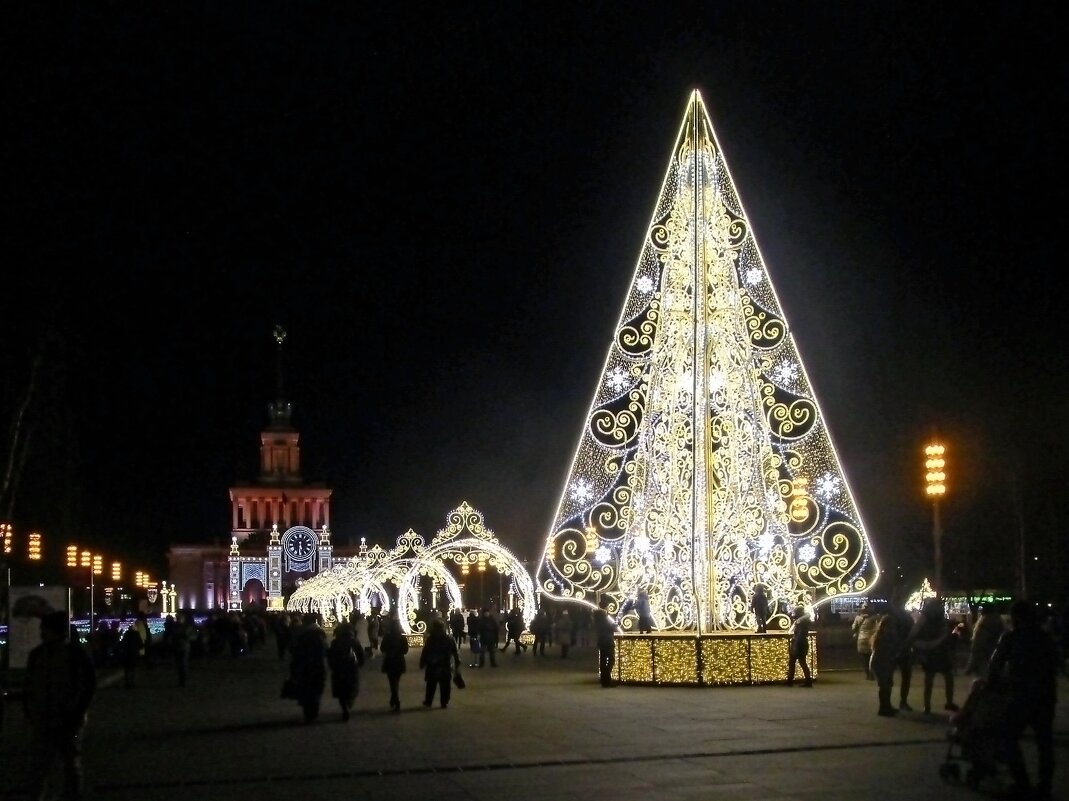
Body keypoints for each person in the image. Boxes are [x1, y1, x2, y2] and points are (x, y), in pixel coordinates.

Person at [23, 609, 97, 801]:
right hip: (46, 719)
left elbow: (88, 685)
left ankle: (70, 795)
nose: (41, 634)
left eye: (44, 630)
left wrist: (77, 712)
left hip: (66, 719)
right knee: (46, 765)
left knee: (67, 763)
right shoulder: (39, 654)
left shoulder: (73, 655)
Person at [987, 599, 1058, 800]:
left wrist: (992, 684)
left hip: (1022, 695)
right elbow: (1054, 663)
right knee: (1045, 742)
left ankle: (1021, 782)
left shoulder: (1011, 637)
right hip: (1045, 695)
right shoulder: (1045, 637)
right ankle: (1045, 786)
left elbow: (996, 663)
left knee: (1008, 735)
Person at [907, 596, 959, 714]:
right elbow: (914, 634)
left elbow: (913, 635)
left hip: (936, 652)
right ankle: (931, 705)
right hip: (934, 652)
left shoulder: (934, 621)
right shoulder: (928, 621)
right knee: (935, 678)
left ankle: (932, 705)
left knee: (936, 678)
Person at [289, 613, 328, 722]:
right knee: (316, 689)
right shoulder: (320, 634)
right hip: (318, 666)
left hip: (304, 667)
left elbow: (294, 650)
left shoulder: (301, 634)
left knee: (306, 688)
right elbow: (325, 650)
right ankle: (313, 709)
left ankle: (308, 711)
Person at [419, 617, 461, 709]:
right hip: (445, 665)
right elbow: (455, 652)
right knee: (445, 685)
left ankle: (428, 701)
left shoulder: (431, 639)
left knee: (431, 685)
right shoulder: (449, 639)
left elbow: (425, 652)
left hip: (432, 664)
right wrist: (457, 663)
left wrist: (422, 662)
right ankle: (444, 702)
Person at [327, 621, 365, 721]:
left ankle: (344, 707)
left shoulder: (335, 642)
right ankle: (349, 703)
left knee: (341, 690)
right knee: (352, 688)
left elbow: (330, 656)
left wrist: (332, 666)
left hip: (339, 670)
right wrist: (359, 664)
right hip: (352, 669)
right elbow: (361, 655)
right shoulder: (355, 641)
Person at [888, 587, 916, 711]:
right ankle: (902, 702)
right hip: (903, 648)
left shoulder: (890, 615)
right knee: (905, 676)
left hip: (893, 648)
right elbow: (912, 632)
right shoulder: (906, 616)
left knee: (888, 677)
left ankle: (888, 703)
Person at [869, 614, 900, 716]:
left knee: (888, 685)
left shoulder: (883, 635)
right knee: (884, 686)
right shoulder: (882, 636)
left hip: (884, 662)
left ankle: (887, 706)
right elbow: (883, 651)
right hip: (881, 663)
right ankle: (883, 708)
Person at [379, 611, 409, 711]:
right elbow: (405, 650)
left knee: (392, 682)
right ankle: (394, 699)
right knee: (396, 681)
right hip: (399, 661)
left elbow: (382, 648)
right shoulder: (402, 637)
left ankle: (395, 700)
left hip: (390, 661)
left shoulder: (387, 636)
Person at [964, 605, 1005, 675]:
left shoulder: (985, 621)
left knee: (983, 671)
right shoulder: (998, 620)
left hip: (983, 650)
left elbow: (979, 640)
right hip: (992, 649)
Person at [594, 597, 619, 687]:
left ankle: (604, 680)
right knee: (611, 660)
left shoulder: (597, 616)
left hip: (601, 640)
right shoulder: (603, 616)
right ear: (606, 607)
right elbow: (607, 628)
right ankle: (606, 680)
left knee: (603, 661)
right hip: (607, 640)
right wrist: (614, 626)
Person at [786, 605, 813, 687]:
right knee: (796, 662)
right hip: (800, 643)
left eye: (796, 612)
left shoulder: (801, 623)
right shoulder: (802, 621)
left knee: (800, 662)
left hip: (799, 644)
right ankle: (791, 680)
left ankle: (806, 681)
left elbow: (800, 635)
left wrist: (795, 646)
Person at [851, 602, 879, 679]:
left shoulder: (858, 617)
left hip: (861, 639)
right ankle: (872, 674)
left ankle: (867, 674)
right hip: (871, 639)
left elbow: (853, 627)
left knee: (864, 658)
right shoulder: (874, 617)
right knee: (872, 657)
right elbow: (877, 628)